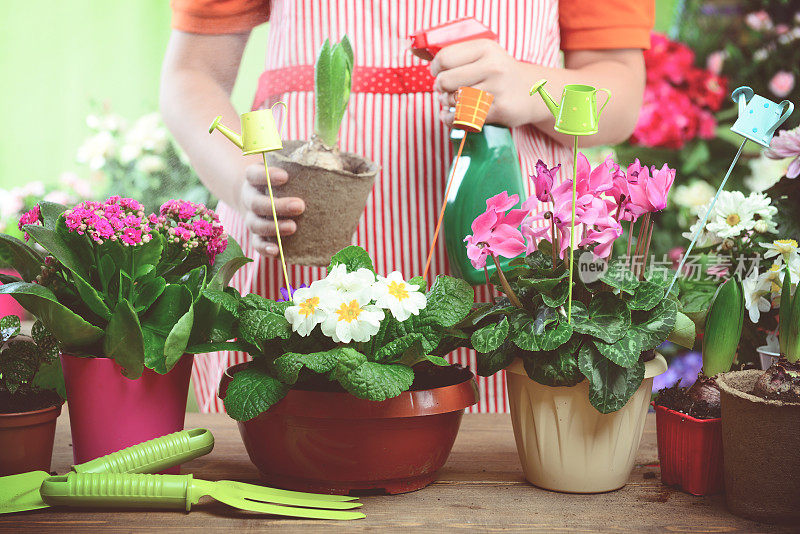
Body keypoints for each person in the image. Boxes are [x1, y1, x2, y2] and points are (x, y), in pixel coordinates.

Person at [161, 0, 654, 413]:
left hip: (507, 271)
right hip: (294, 249)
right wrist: (239, 181)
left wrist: (528, 88)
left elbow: (621, 97)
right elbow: (192, 74)